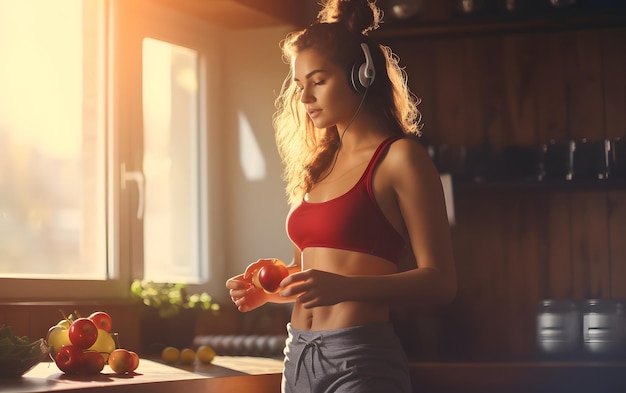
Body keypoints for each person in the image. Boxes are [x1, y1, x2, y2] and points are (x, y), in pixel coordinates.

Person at [226, 0, 456, 391]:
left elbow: (440, 282)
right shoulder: (318, 167)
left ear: (361, 76)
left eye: (318, 81)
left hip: (359, 358)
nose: (305, 98)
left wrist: (344, 287)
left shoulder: (400, 158)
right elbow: (314, 275)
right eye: (300, 85)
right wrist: (270, 289)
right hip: (296, 356)